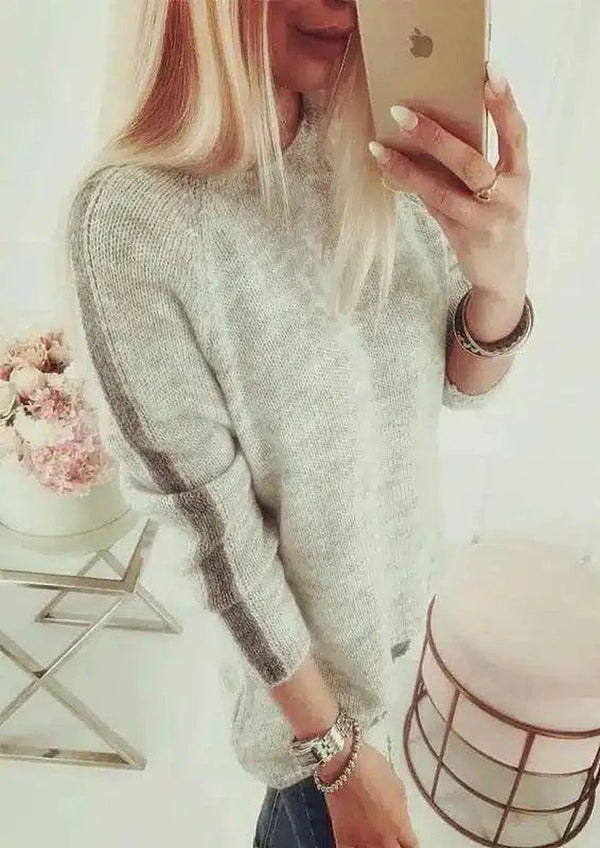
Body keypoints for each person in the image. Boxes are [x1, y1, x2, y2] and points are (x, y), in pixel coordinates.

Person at [64, 1, 532, 845]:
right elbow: (217, 541)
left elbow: (460, 384)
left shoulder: (368, 139)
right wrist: (339, 760)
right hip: (313, 726)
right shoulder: (135, 223)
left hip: (399, 632)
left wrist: (500, 279)